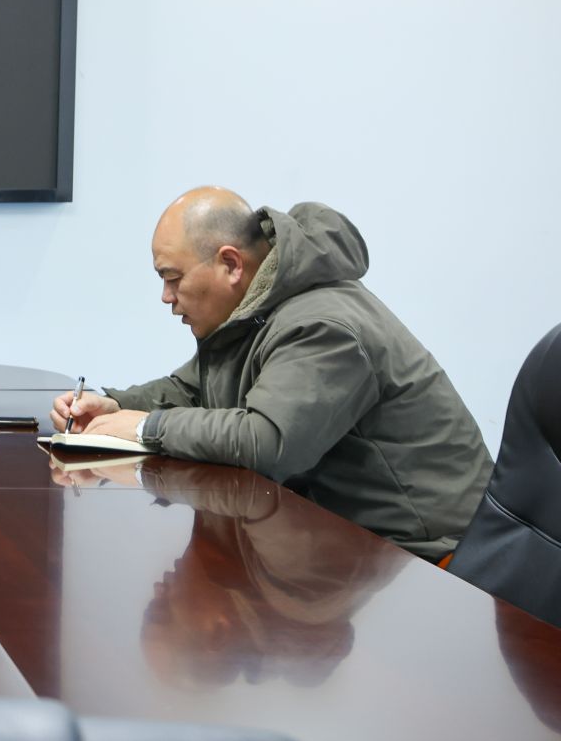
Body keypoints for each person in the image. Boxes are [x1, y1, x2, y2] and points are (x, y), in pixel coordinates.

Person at [55, 187, 491, 560]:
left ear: (231, 264)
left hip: (430, 557)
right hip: (349, 545)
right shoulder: (258, 307)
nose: (166, 297)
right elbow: (194, 388)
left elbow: (267, 442)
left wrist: (146, 428)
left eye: (173, 278)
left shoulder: (323, 326)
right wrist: (115, 405)